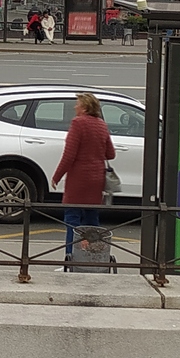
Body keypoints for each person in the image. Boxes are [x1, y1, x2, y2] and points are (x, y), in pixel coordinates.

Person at [51, 92, 115, 264]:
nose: (75, 107)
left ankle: (71, 260)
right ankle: (93, 259)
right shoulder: (101, 125)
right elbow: (111, 153)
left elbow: (69, 155)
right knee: (92, 221)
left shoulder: (78, 123)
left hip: (79, 180)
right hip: (96, 180)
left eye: (77, 104)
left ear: (85, 107)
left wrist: (57, 176)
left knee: (72, 220)